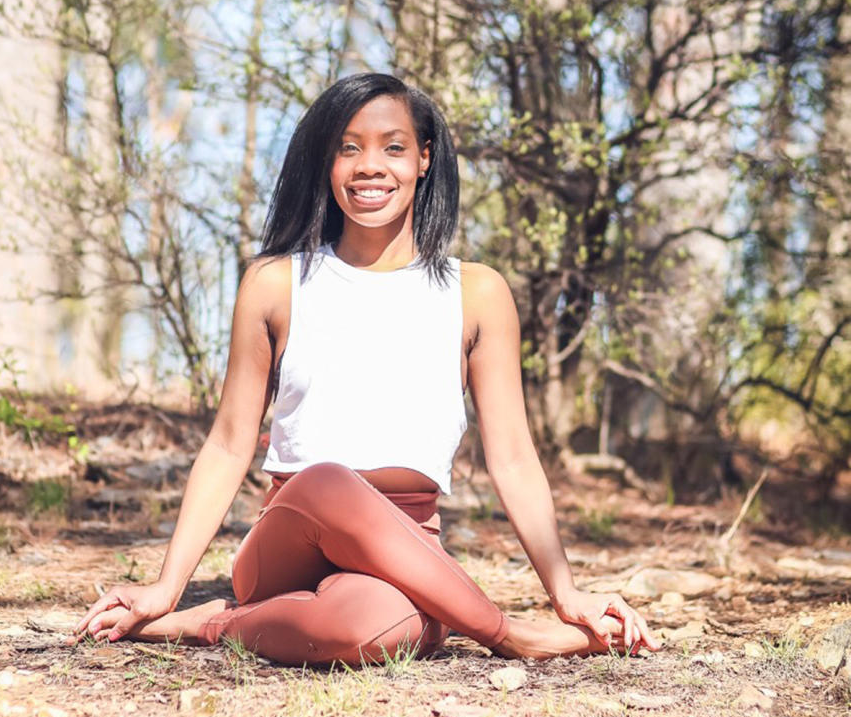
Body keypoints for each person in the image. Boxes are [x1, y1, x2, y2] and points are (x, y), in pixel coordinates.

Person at [74, 73, 659, 665]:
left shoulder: (477, 293)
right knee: (330, 481)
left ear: (424, 159)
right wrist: (165, 586)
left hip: (407, 548)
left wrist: (566, 593)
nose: (369, 166)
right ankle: (509, 635)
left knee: (377, 633)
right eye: (348, 148)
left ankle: (221, 622)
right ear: (327, 163)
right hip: (291, 536)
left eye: (393, 147)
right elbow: (228, 445)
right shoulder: (278, 283)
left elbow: (512, 457)